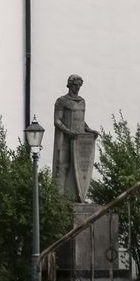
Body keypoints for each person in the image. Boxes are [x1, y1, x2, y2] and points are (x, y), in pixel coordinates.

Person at [52, 74, 98, 202]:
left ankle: (77, 196)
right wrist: (68, 132)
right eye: (75, 85)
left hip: (79, 140)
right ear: (70, 85)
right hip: (66, 139)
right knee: (62, 166)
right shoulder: (62, 101)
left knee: (77, 167)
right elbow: (57, 121)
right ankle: (59, 198)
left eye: (79, 85)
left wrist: (88, 130)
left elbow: (81, 121)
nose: (77, 87)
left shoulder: (82, 101)